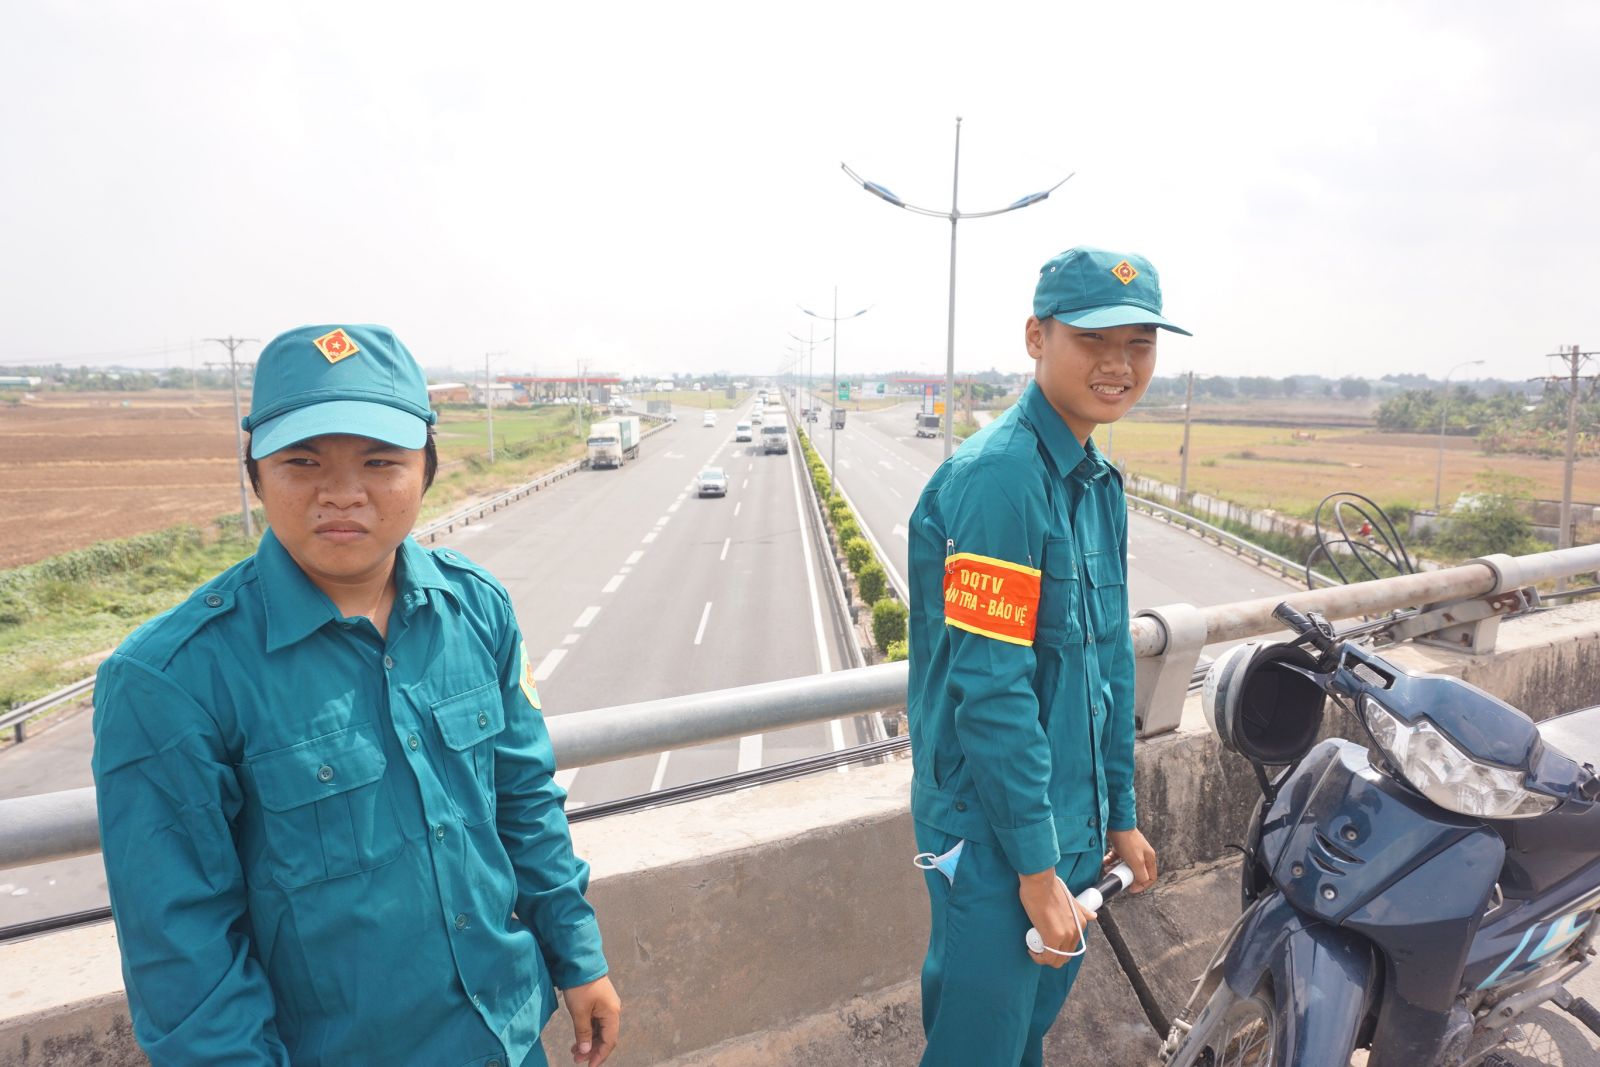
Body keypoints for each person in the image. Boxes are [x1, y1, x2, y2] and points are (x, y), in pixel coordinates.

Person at [92, 324, 620, 1066]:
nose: (342, 492)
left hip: (508, 1037)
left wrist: (578, 954)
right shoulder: (172, 678)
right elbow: (184, 955)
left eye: (380, 460)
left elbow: (524, 798)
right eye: (302, 461)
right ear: (256, 474)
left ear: (426, 468)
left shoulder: (477, 609)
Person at [905, 247, 1186, 1066]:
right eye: (1094, 338)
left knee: (1021, 1035)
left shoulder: (1097, 480)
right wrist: (1032, 868)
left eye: (1140, 343)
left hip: (1069, 823)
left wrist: (1120, 817)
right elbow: (991, 693)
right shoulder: (1000, 480)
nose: (1118, 364)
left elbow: (1107, 665)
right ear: (1036, 336)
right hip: (996, 837)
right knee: (976, 1045)